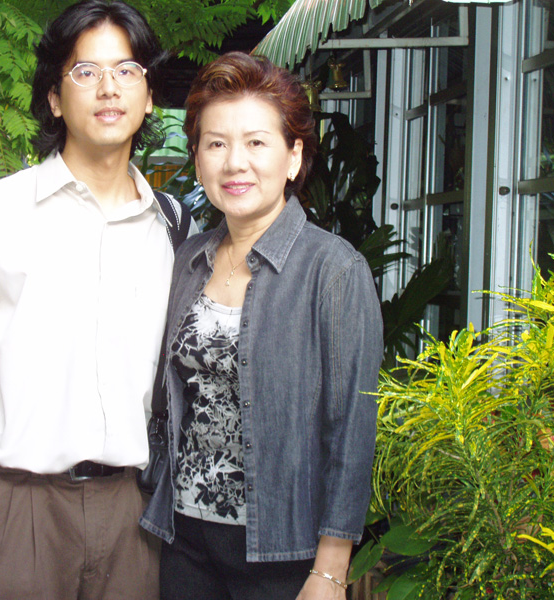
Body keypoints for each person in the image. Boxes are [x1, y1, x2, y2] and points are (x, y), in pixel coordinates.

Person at [0, 2, 195, 599]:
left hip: (130, 514)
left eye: (127, 71)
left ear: (148, 98)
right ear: (55, 99)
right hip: (18, 512)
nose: (108, 88)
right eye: (85, 72)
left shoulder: (174, 230)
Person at [140, 52, 384, 600]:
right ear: (199, 161)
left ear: (294, 157)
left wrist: (330, 570)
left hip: (284, 554)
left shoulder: (335, 270)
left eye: (256, 142)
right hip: (184, 540)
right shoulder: (189, 259)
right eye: (216, 143)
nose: (235, 163)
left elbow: (351, 432)